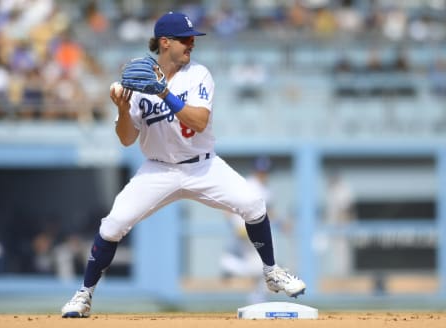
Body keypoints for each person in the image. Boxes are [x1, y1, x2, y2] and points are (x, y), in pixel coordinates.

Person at [61, 12, 305, 318]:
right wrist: (123, 111)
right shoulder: (138, 80)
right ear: (165, 43)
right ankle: (84, 294)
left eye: (193, 39)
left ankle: (271, 272)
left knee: (253, 203)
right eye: (185, 39)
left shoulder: (199, 74)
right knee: (112, 225)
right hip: (158, 169)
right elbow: (126, 139)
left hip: (203, 167)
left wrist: (163, 92)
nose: (192, 44)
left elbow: (199, 121)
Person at [220, 156, 275, 303]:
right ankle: (231, 264)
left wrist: (282, 224)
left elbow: (269, 211)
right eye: (260, 171)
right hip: (244, 227)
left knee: (259, 264)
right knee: (260, 264)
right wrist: (234, 224)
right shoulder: (249, 183)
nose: (262, 173)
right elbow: (229, 204)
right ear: (255, 170)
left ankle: (257, 295)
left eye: (265, 171)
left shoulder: (266, 188)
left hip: (254, 228)